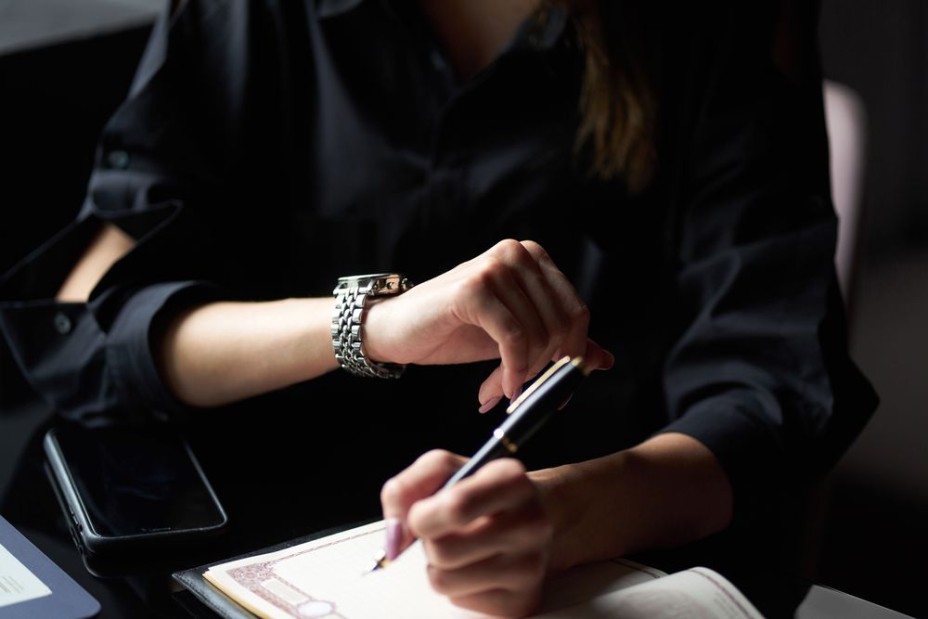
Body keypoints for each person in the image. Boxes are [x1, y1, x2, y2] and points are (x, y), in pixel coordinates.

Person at [0, 0, 876, 617]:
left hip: (584, 567)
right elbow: (89, 323)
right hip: (241, 557)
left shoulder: (716, 22)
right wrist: (372, 324)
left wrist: (560, 515)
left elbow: (771, 392)